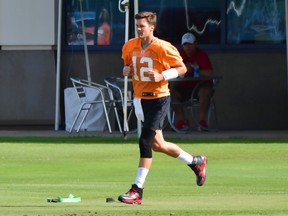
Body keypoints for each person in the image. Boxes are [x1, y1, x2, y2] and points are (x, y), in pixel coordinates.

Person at [118, 11, 207, 205]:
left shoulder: (163, 47)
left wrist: (162, 76)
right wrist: (127, 70)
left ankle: (137, 190)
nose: (139, 29)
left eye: (142, 26)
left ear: (152, 27)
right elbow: (129, 66)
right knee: (158, 145)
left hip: (158, 99)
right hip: (139, 99)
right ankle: (195, 161)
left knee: (145, 142)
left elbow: (182, 68)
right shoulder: (130, 45)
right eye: (137, 26)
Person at [171, 32, 213, 131]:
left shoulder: (202, 55)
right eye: (185, 45)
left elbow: (209, 72)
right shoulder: (179, 55)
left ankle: (202, 123)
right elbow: (172, 69)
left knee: (205, 92)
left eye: (190, 44)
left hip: (199, 86)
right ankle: (181, 122)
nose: (188, 47)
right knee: (170, 94)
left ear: (195, 44)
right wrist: (184, 69)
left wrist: (194, 70)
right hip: (184, 86)